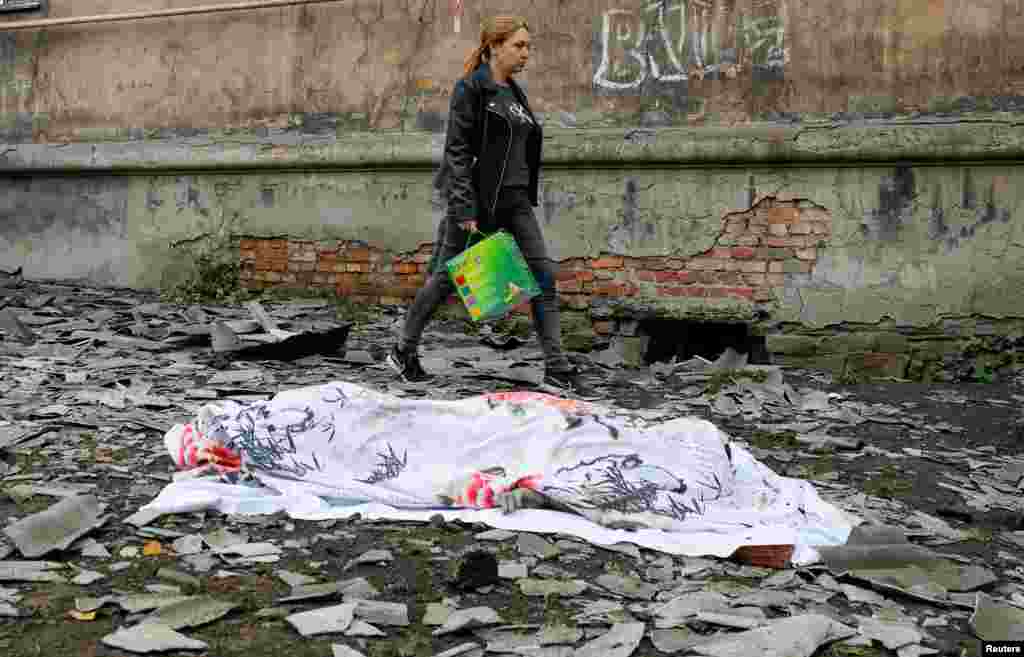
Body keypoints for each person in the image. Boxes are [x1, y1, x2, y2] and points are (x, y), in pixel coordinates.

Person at [388, 15, 598, 399]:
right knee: (445, 279)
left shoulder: (514, 93)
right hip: (479, 202)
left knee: (543, 278)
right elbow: (457, 151)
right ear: (495, 46)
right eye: (519, 45)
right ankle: (403, 350)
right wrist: (464, 208)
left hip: (516, 201)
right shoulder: (472, 88)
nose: (526, 53)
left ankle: (557, 370)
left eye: (528, 46)